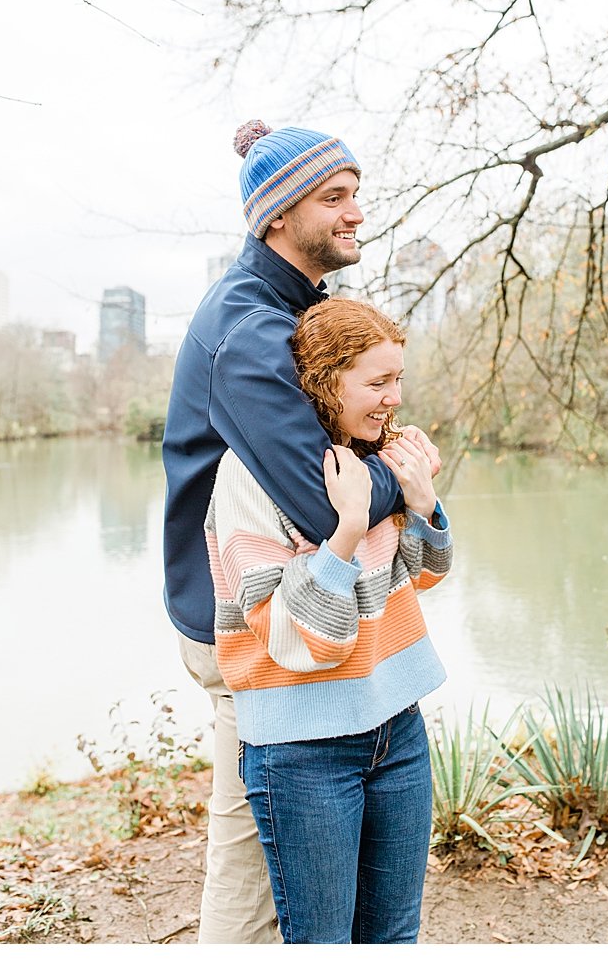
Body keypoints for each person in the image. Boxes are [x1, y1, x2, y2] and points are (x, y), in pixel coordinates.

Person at [162, 119, 436, 943]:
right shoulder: (249, 329)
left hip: (309, 612)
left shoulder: (298, 306)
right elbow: (327, 504)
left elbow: (353, 459)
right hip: (250, 624)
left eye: (356, 191)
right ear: (276, 217)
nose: (357, 211)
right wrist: (408, 477)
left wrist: (389, 471)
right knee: (249, 883)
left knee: (285, 875)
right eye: (335, 196)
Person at [208, 297, 450, 943]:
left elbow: (425, 575)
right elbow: (301, 639)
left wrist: (421, 502)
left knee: (394, 936)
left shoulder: (370, 458)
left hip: (397, 728)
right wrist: (345, 530)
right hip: (302, 752)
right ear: (322, 381)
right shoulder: (248, 478)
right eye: (377, 382)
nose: (394, 398)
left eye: (397, 378)